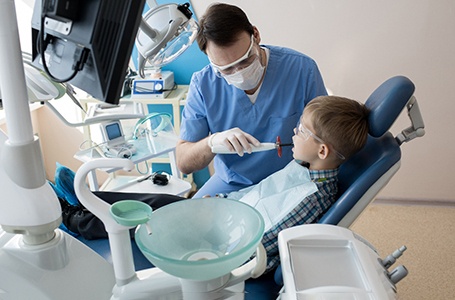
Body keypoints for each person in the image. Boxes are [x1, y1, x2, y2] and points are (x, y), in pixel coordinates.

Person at [57, 95, 370, 273]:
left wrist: (216, 247)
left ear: (323, 150)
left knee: (149, 216)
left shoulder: (313, 196)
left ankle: (72, 217)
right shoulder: (303, 165)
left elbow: (265, 242)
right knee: (158, 201)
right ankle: (87, 197)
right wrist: (218, 200)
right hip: (226, 216)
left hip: (223, 244)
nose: (294, 132)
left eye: (302, 130)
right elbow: (259, 193)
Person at [176, 3, 328, 198]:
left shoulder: (301, 70)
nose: (239, 74)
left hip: (290, 181)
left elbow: (326, 139)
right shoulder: (203, 84)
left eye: (244, 61)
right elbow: (184, 162)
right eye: (227, 69)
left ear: (255, 35)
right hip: (233, 183)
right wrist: (211, 142)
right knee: (193, 221)